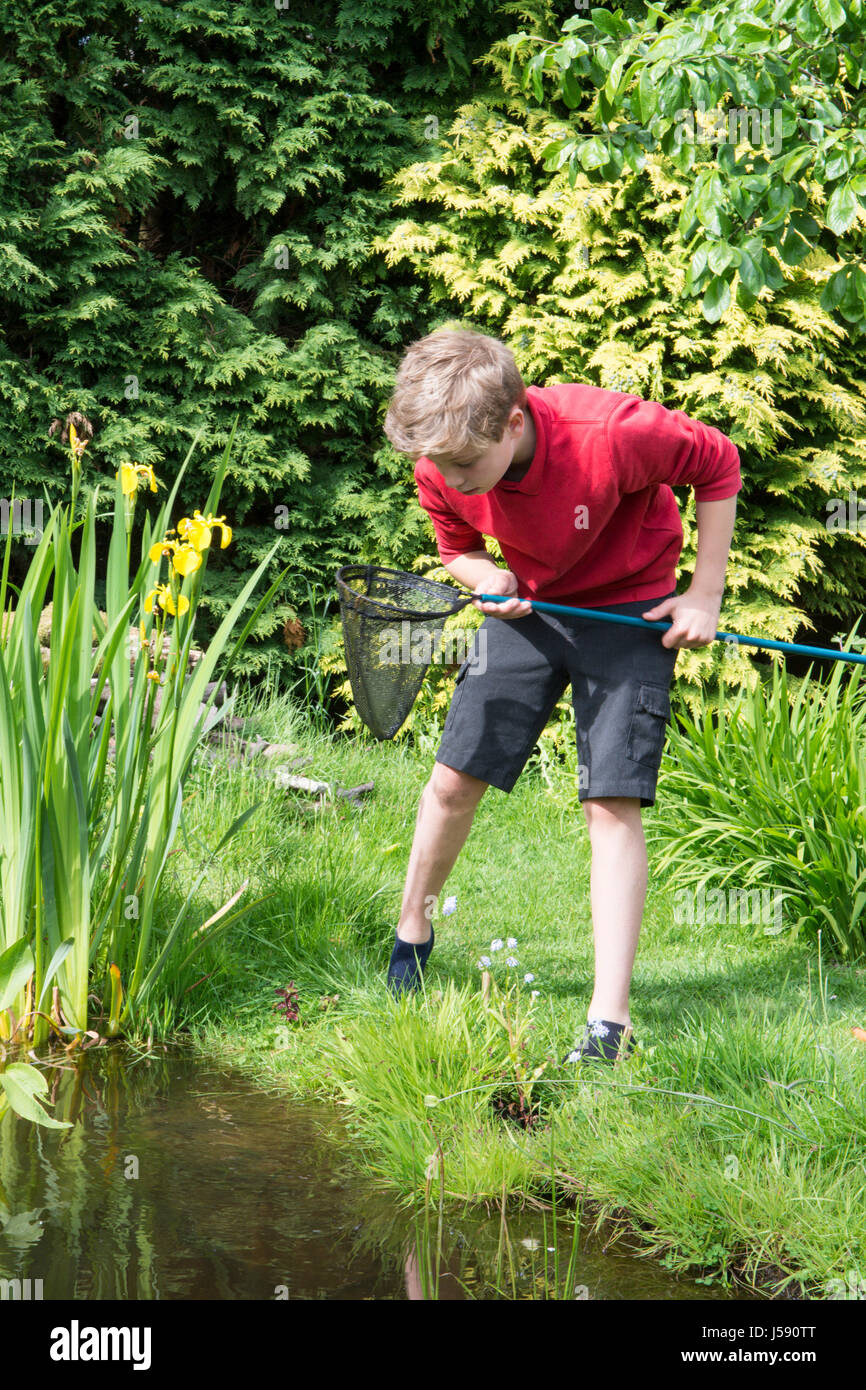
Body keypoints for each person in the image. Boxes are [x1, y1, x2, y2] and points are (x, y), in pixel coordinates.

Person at [381, 328, 741, 1064]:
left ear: (513, 422)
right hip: (531, 608)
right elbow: (459, 547)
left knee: (610, 801)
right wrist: (488, 580)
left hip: (629, 611)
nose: (449, 477)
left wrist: (704, 592)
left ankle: (609, 1025)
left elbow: (720, 462)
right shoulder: (442, 462)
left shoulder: (613, 434)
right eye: (439, 465)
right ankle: (413, 927)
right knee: (453, 778)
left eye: (463, 464)